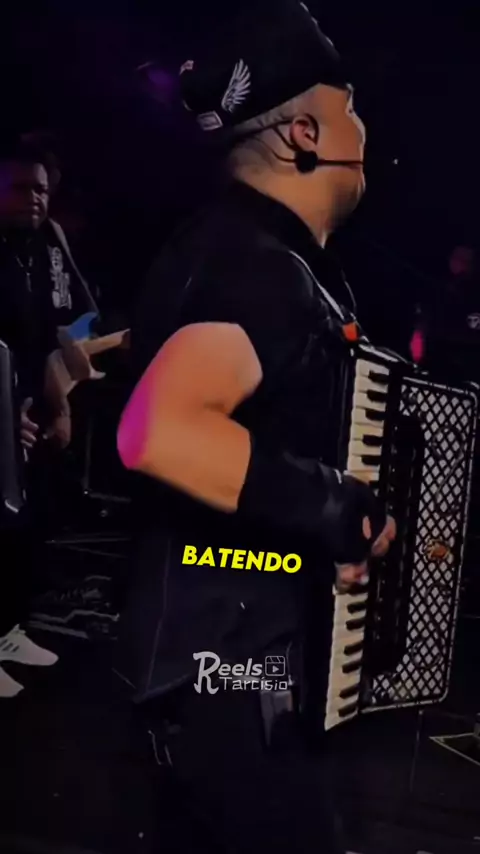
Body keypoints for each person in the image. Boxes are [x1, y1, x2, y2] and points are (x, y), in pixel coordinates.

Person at [116, 2, 395, 851]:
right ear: (305, 134)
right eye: (350, 107)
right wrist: (334, 505)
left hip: (226, 668)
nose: (363, 127)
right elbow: (157, 430)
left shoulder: (243, 252)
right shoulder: (258, 266)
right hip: (228, 679)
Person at [410, 244, 480, 375]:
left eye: (465, 260)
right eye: (456, 257)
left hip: (466, 372)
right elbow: (420, 330)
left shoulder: (474, 297)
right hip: (432, 366)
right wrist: (417, 358)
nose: (458, 262)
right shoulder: (439, 289)